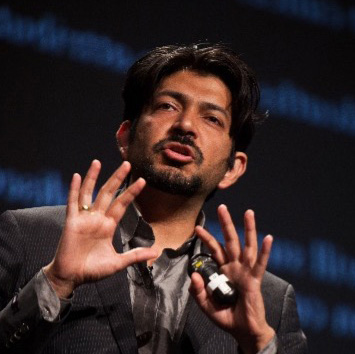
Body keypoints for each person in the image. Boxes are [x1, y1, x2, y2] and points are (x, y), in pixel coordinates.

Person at [0, 44, 307, 353]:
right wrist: (55, 283)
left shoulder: (268, 301)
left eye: (212, 118)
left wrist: (258, 345)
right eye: (167, 106)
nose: (186, 126)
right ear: (125, 137)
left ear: (233, 168)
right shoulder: (28, 236)